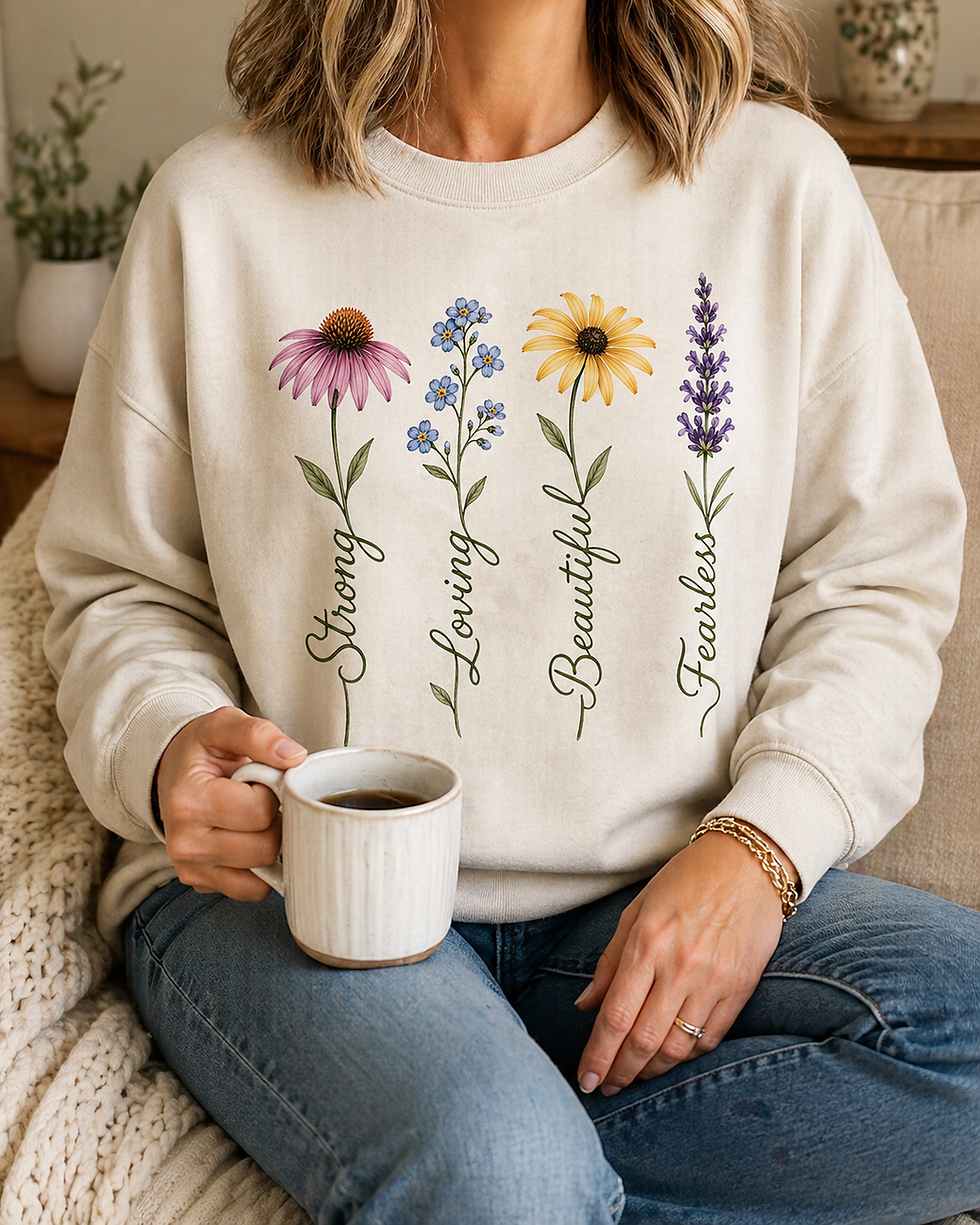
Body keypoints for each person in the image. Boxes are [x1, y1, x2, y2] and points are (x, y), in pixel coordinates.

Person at [36, 0, 980, 1220]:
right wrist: (164, 738)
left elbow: (873, 575)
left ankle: (494, 1169)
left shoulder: (777, 187)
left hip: (638, 904)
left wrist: (760, 849)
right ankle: (495, 1167)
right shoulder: (214, 207)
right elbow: (117, 585)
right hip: (297, 904)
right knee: (500, 1171)